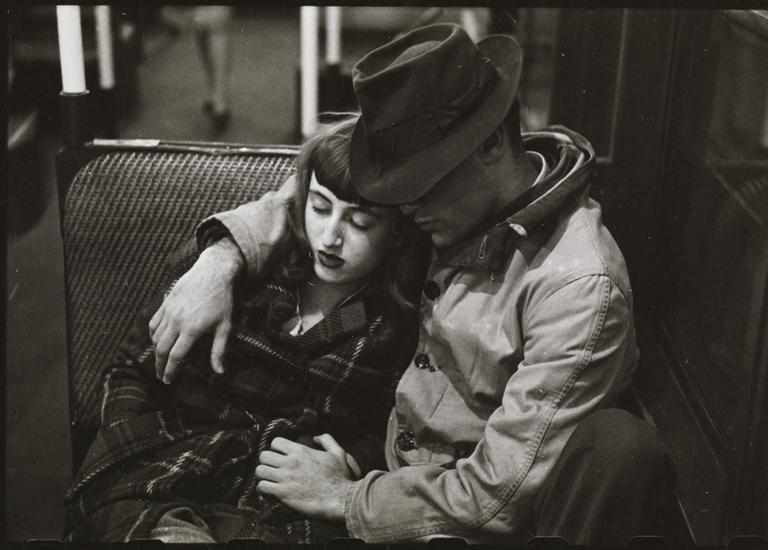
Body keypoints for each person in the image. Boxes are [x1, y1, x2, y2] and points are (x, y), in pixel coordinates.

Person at [151, 24, 676, 544]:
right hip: (379, 465)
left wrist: (347, 498)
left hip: (458, 520)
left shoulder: (579, 286)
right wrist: (219, 261)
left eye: (420, 183)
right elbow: (311, 189)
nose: (403, 206)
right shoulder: (459, 193)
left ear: (491, 143)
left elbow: (500, 493)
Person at [63, 115, 430, 543]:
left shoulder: (395, 327)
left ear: (397, 233)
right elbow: (134, 368)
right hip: (167, 466)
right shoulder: (242, 271)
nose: (330, 236)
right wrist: (128, 442)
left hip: (280, 499)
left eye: (360, 222)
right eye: (319, 207)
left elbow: (389, 430)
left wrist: (349, 464)